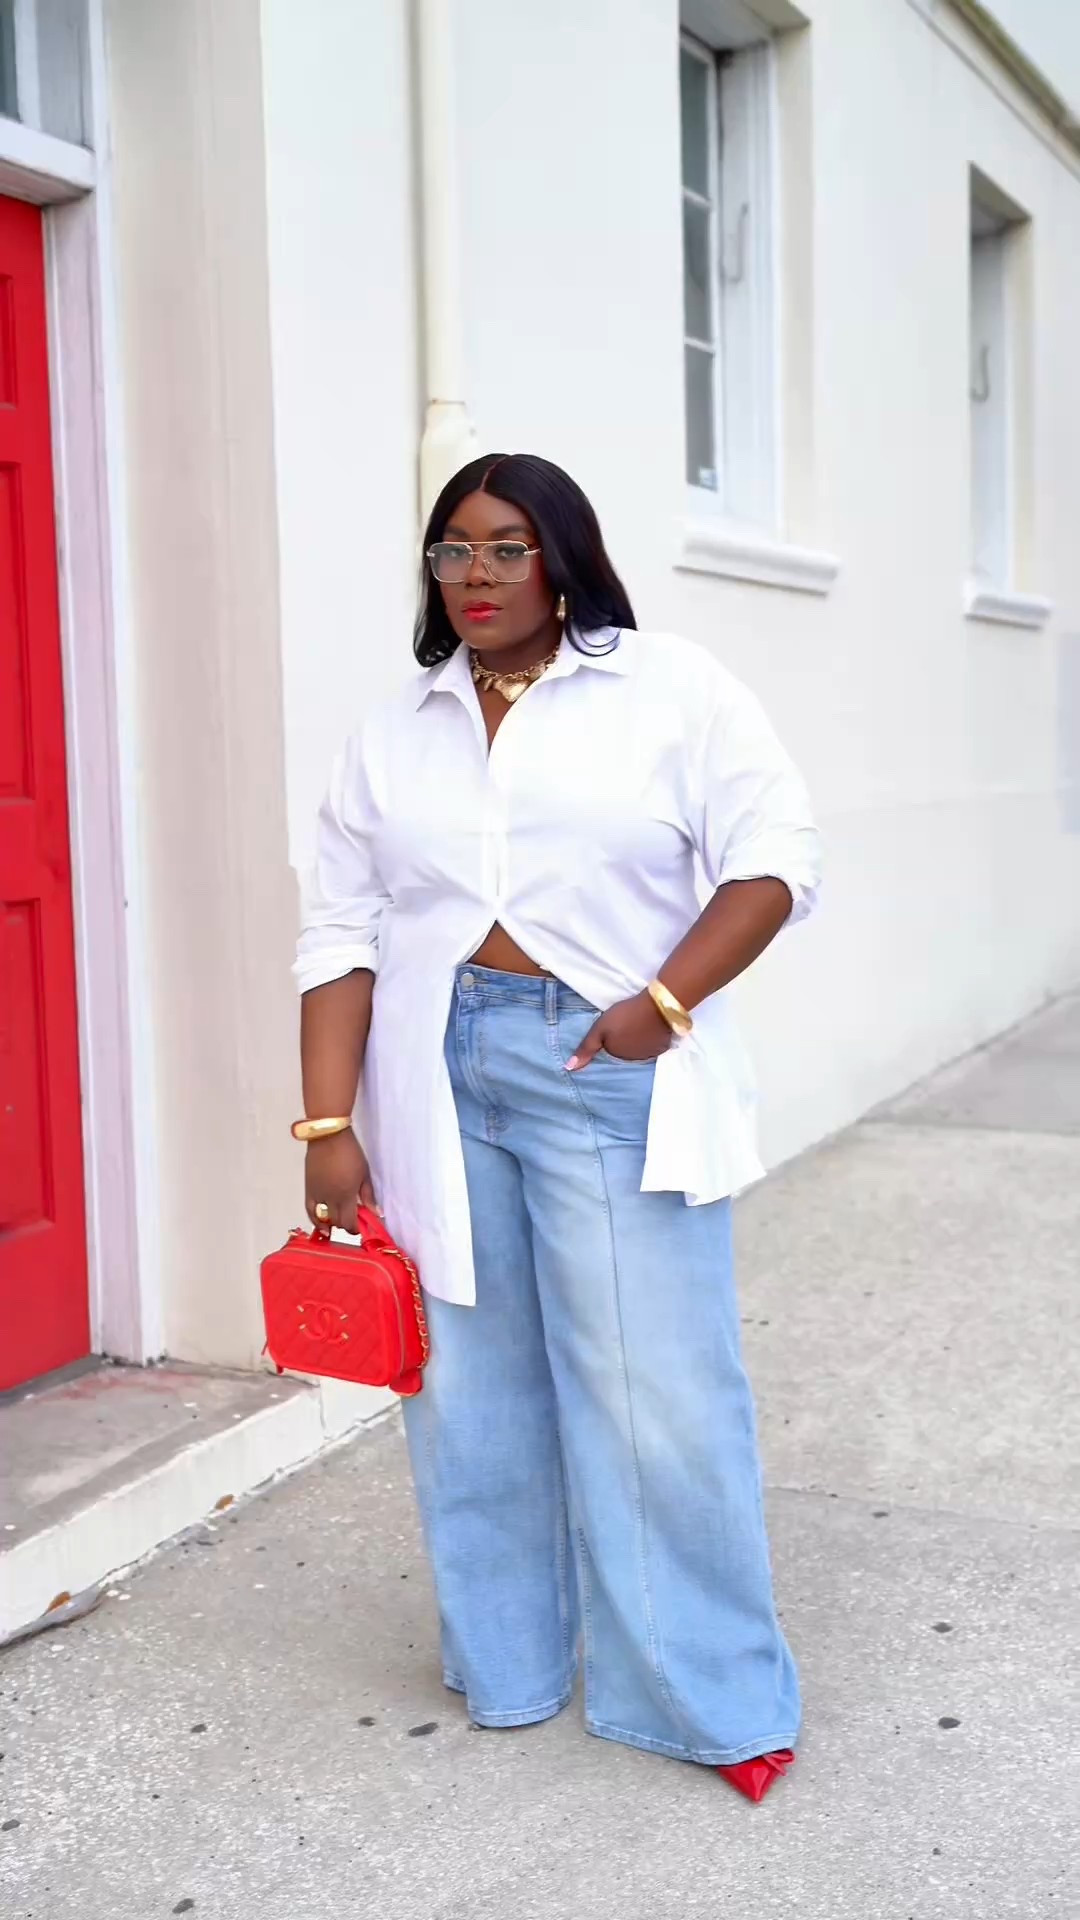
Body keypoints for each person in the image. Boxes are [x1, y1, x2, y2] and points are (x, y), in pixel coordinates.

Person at [293, 453, 821, 1801]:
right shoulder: (397, 726)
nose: (473, 575)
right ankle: (512, 1665)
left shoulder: (668, 691)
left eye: (505, 548)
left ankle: (708, 1699)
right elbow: (342, 927)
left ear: (563, 557)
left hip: (604, 1059)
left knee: (659, 1394)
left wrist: (661, 1002)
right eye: (452, 550)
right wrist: (325, 1121)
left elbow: (773, 856)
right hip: (433, 1066)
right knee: (466, 1387)